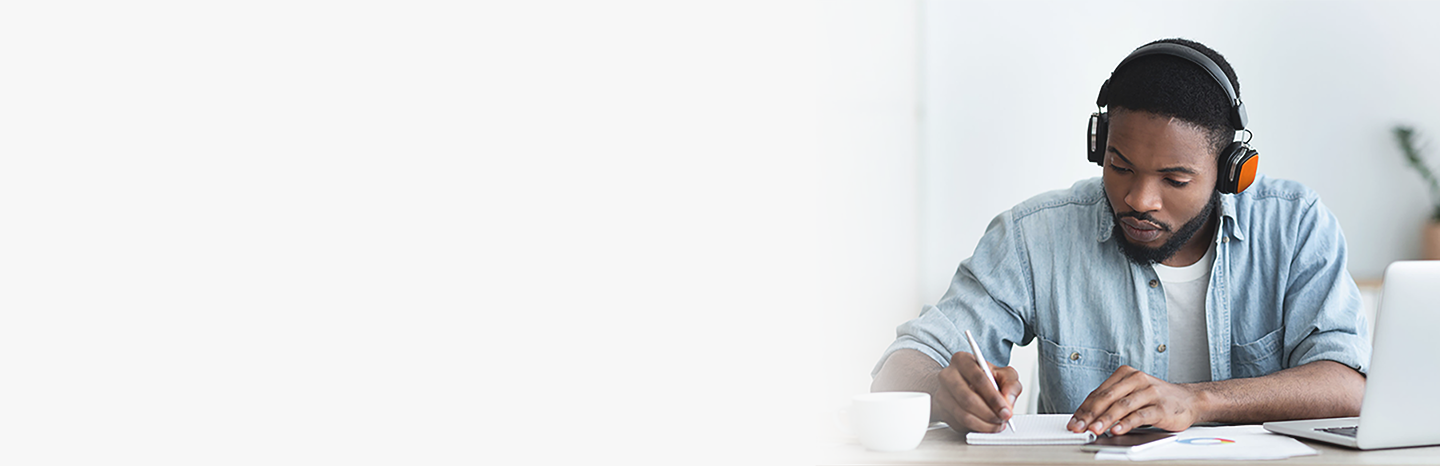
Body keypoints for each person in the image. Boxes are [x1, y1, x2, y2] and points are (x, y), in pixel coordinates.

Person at [869, 38, 1371, 437]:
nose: (1139, 199)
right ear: (1099, 146)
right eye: (1120, 166)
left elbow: (1347, 385)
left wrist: (1195, 401)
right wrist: (942, 388)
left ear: (1229, 172)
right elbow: (899, 366)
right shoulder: (1034, 236)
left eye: (1175, 180)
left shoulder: (1295, 225)